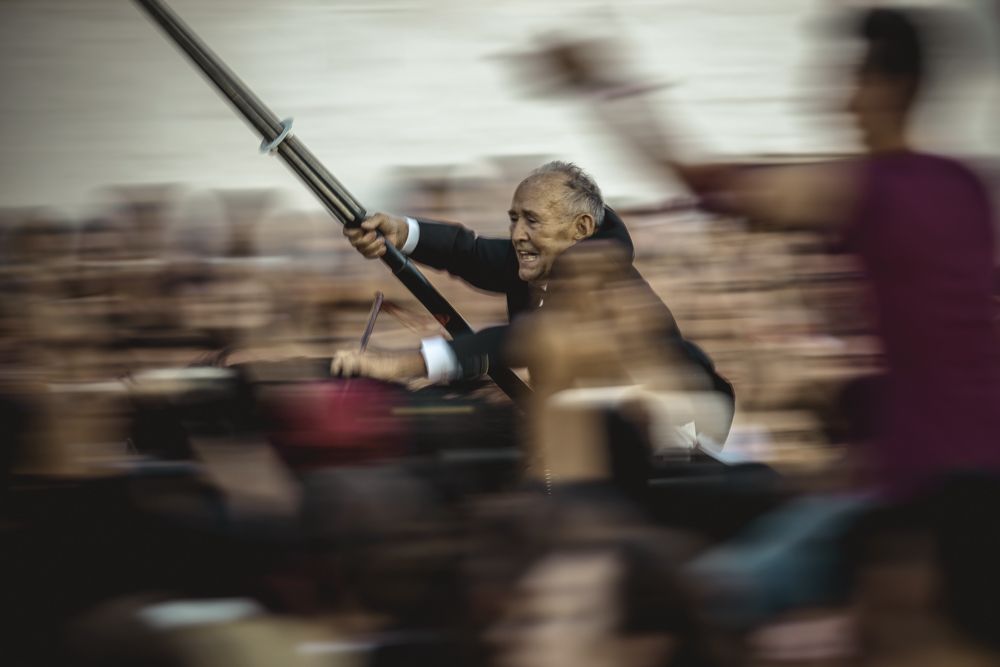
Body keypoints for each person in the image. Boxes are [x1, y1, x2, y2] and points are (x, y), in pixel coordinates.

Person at [545, 7, 1000, 499]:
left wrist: (603, 84)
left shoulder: (866, 188)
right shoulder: (966, 184)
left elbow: (703, 183)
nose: (845, 103)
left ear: (890, 88)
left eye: (855, 82)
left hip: (924, 471)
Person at [331, 161, 734, 437]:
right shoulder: (546, 254)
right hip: (593, 419)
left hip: (675, 428)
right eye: (514, 219)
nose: (518, 234)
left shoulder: (598, 276)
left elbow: (517, 340)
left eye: (532, 220)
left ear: (581, 227)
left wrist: (398, 364)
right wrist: (401, 233)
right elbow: (468, 253)